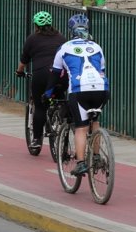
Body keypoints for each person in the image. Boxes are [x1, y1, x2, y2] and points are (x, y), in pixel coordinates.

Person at [44, 13, 109, 176]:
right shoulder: (97, 46)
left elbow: (55, 74)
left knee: (81, 127)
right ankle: (95, 156)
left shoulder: (64, 48)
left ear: (70, 30)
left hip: (80, 90)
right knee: (95, 122)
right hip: (102, 89)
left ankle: (80, 163)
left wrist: (48, 93)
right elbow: (101, 70)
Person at [15, 11, 67, 148]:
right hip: (61, 75)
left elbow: (23, 61)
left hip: (41, 75)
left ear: (36, 25)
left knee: (40, 107)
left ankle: (37, 140)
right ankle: (61, 123)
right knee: (60, 98)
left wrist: (19, 72)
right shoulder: (61, 38)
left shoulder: (32, 39)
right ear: (51, 24)